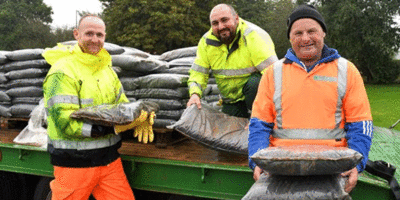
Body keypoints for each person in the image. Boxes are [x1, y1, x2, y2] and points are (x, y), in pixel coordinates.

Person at [248, 4, 373, 193]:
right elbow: (259, 124)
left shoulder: (347, 70)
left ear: (323, 33)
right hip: (281, 168)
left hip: (333, 168)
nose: (305, 38)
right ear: (290, 38)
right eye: (298, 33)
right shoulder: (273, 73)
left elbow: (361, 125)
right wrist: (256, 161)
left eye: (311, 31)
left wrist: (356, 164)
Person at [43, 14, 153, 200]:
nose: (95, 39)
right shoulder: (61, 72)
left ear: (105, 37)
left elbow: (123, 107)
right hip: (74, 164)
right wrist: (110, 129)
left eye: (100, 35)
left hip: (108, 161)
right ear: (77, 34)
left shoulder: (107, 70)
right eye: (89, 34)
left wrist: (139, 116)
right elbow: (64, 121)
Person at [186, 4, 278, 118]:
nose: (220, 27)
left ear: (236, 18)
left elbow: (274, 74)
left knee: (255, 84)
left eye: (224, 20)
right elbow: (198, 73)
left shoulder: (254, 36)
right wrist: (195, 94)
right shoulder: (206, 42)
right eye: (215, 23)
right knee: (229, 131)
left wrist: (258, 116)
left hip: (257, 98)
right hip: (231, 100)